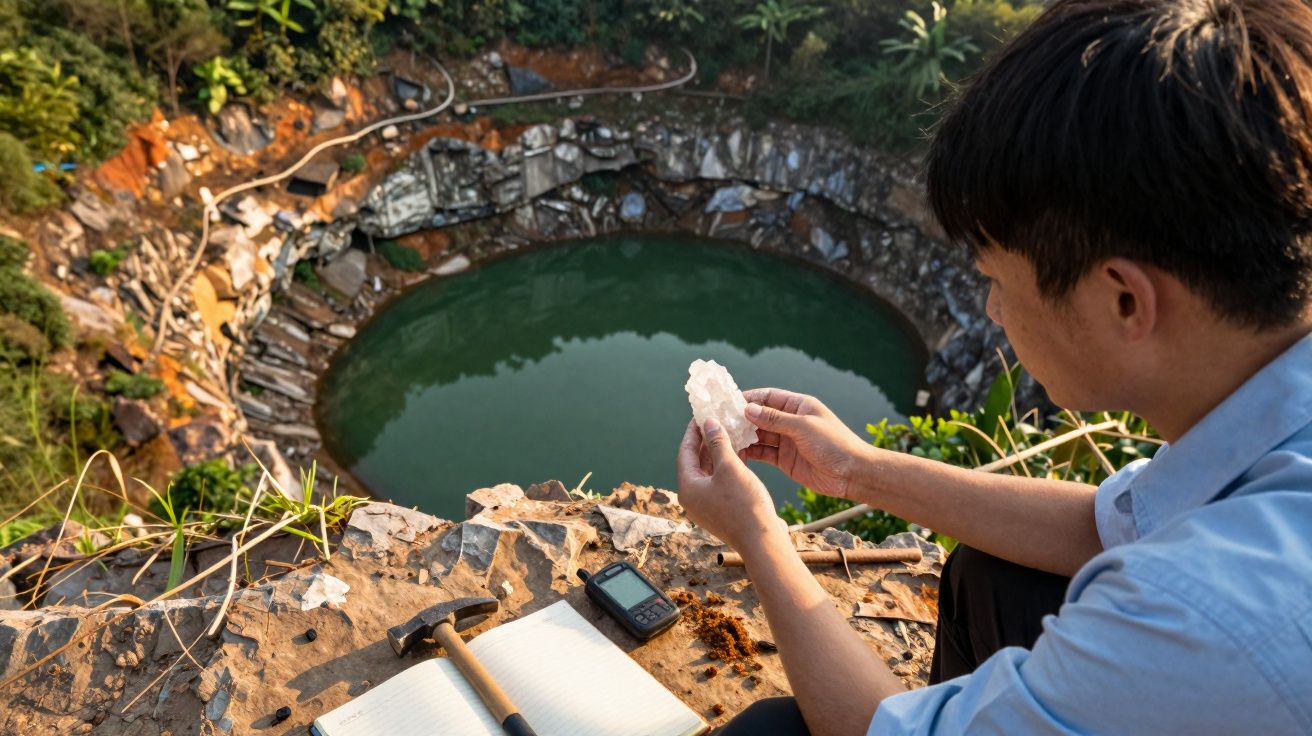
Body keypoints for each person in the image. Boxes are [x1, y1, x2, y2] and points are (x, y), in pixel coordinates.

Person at [676, 1, 1312, 733]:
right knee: (1001, 575)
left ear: (1125, 300)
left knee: (771, 730)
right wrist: (855, 469)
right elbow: (1121, 524)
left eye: (998, 280)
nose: (991, 312)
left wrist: (759, 533)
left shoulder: (1204, 615)